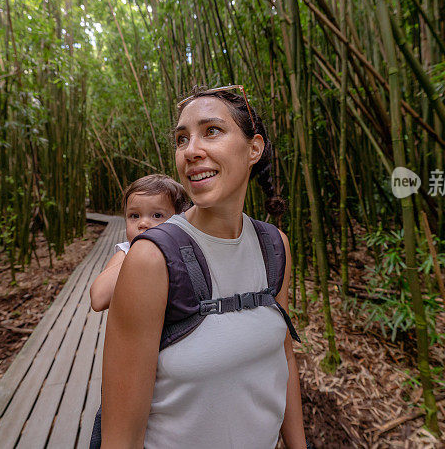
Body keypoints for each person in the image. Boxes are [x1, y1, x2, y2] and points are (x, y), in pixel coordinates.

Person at [101, 85, 307, 448]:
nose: (191, 151)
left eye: (211, 131)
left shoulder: (275, 246)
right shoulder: (152, 258)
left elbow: (284, 356)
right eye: (182, 139)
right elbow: (121, 437)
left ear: (254, 149)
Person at [89, 174, 188, 312]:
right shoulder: (125, 252)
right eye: (134, 216)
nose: (142, 223)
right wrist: (136, 254)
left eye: (157, 215)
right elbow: (98, 299)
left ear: (180, 220)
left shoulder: (186, 250)